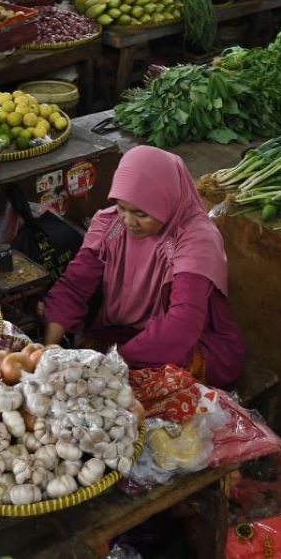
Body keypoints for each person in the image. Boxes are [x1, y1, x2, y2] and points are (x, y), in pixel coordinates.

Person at [43, 146, 245, 387]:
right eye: (121, 207)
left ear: (167, 201)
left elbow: (182, 325)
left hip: (184, 343)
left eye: (141, 213)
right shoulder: (110, 224)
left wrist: (116, 362)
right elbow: (74, 286)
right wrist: (47, 350)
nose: (128, 221)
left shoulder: (196, 239)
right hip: (122, 334)